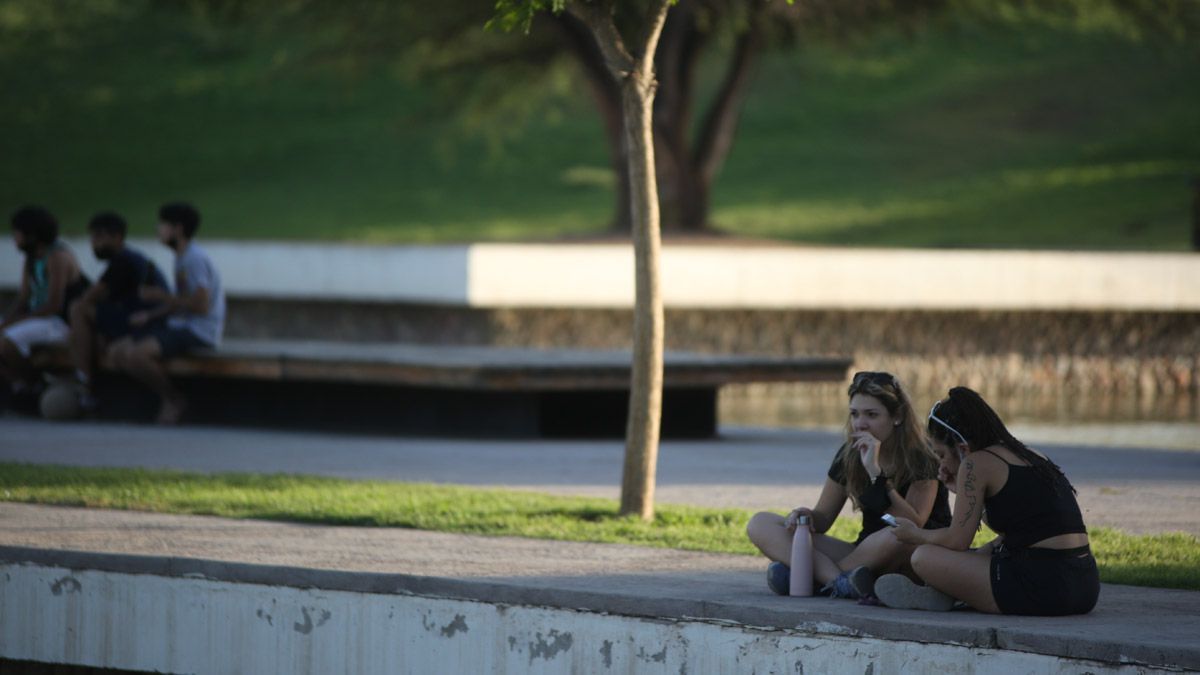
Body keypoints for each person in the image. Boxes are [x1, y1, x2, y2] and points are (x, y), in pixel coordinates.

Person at [876, 386, 1098, 616]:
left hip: (1044, 585)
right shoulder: (1028, 454)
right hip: (1084, 585)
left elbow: (957, 540)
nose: (941, 465)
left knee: (924, 557)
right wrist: (962, 490)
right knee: (982, 552)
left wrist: (916, 534)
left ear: (962, 448)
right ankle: (946, 592)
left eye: (941, 454)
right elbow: (1020, 525)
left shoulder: (975, 464)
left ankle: (947, 592)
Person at [746, 371, 951, 599]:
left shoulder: (921, 456)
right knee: (760, 523)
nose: (860, 424)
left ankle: (808, 577)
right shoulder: (850, 455)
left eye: (871, 415)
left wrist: (876, 473)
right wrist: (806, 517)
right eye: (854, 414)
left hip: (914, 552)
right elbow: (823, 519)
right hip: (864, 553)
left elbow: (912, 524)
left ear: (897, 416)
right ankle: (838, 581)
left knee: (895, 535)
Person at [107, 202, 224, 424]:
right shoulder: (182, 257)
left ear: (178, 229)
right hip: (181, 325)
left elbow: (201, 306)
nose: (157, 229)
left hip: (199, 330)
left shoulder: (194, 259)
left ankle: (173, 399)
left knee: (136, 355)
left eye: (162, 225)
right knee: (117, 351)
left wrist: (161, 296)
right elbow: (183, 301)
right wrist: (151, 315)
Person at [68, 211, 171, 411]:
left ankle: (83, 380)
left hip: (145, 323)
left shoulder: (124, 261)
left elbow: (89, 298)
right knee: (84, 332)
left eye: (99, 237)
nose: (94, 243)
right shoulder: (130, 258)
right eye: (92, 237)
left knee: (78, 309)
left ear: (117, 237)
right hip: (138, 319)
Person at [1, 206, 90, 410]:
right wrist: (7, 319)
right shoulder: (31, 258)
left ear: (32, 235)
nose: (14, 239)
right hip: (37, 318)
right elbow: (23, 299)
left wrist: (12, 323)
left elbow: (54, 305)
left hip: (58, 322)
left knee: (7, 343)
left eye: (17, 233)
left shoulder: (57, 257)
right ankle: (16, 384)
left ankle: (30, 383)